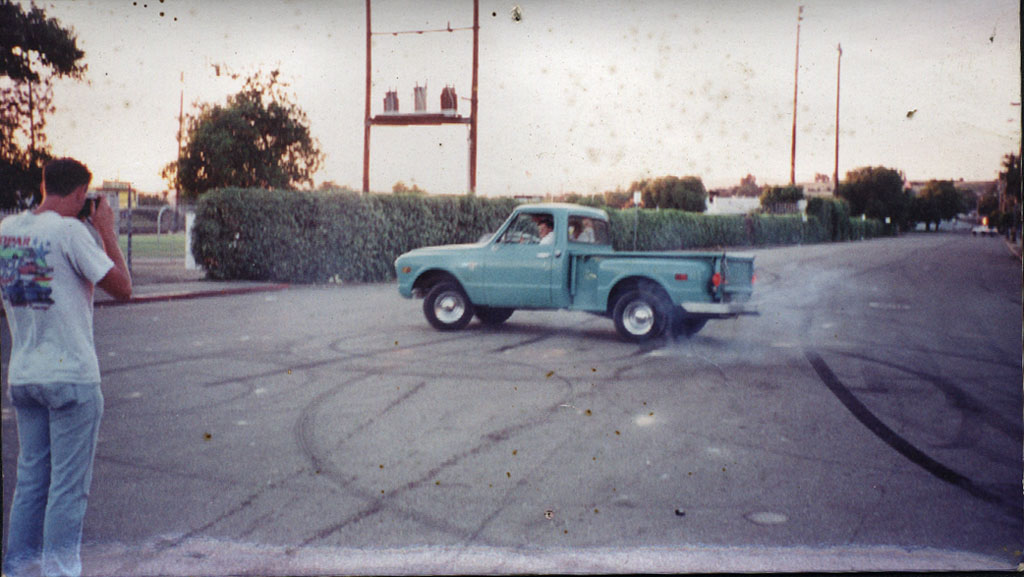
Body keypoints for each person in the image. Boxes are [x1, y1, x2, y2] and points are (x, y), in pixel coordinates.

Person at [1, 158, 132, 577]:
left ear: (44, 184)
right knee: (67, 491)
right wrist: (107, 231)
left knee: (31, 485)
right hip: (71, 376)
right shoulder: (73, 232)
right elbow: (123, 289)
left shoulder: (6, 231)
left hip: (25, 373)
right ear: (80, 194)